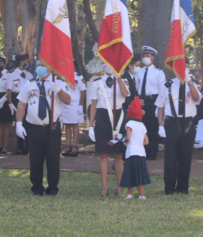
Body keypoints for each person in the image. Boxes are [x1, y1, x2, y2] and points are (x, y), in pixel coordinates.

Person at [15, 65, 70, 195]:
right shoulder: (29, 84)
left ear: (50, 68)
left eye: (44, 66)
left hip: (52, 128)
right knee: (35, 159)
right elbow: (21, 104)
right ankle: (37, 188)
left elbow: (68, 100)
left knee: (53, 160)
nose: (41, 68)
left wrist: (58, 90)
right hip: (33, 128)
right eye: (39, 65)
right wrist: (18, 124)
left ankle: (52, 188)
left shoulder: (58, 83)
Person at [156, 64, 201, 195]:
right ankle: (169, 188)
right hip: (172, 123)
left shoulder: (192, 85)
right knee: (170, 158)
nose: (182, 69)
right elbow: (160, 107)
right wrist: (160, 125)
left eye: (185, 66)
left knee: (185, 157)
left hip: (188, 123)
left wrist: (189, 82)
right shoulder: (167, 85)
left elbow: (197, 98)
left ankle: (183, 188)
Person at [89, 65, 130, 196]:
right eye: (106, 63)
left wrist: (118, 77)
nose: (109, 66)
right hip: (102, 118)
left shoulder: (122, 80)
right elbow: (94, 105)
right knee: (103, 154)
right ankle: (104, 188)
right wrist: (91, 125)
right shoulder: (97, 83)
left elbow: (126, 94)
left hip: (118, 118)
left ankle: (119, 188)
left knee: (118, 155)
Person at [135, 46, 166, 160]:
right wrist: (138, 99)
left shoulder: (158, 73)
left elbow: (162, 90)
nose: (145, 58)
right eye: (145, 56)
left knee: (153, 127)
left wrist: (159, 105)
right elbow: (136, 87)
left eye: (148, 56)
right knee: (142, 126)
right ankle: (143, 151)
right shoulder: (139, 72)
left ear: (153, 57)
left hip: (153, 100)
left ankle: (152, 152)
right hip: (142, 100)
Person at [120, 98, 150, 200]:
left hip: (131, 152)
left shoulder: (129, 124)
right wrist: (138, 142)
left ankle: (130, 194)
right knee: (139, 173)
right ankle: (142, 195)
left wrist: (124, 141)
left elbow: (128, 138)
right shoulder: (142, 125)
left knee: (130, 173)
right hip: (141, 153)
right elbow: (146, 141)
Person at [7, 54, 32, 155]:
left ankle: (28, 146)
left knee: (28, 123)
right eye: (26, 61)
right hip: (16, 98)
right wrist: (10, 103)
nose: (27, 63)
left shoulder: (29, 75)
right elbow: (9, 90)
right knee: (19, 122)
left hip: (28, 99)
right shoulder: (12, 74)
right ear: (22, 62)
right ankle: (20, 147)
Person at [61, 70, 86, 157]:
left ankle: (75, 146)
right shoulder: (62, 75)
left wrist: (81, 105)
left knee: (75, 125)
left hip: (75, 104)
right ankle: (68, 146)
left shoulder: (78, 77)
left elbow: (83, 91)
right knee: (67, 125)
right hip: (65, 103)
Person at [0, 55, 12, 153]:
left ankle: (5, 146)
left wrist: (3, 100)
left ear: (5, 64)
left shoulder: (8, 75)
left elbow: (9, 90)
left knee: (6, 124)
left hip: (4, 101)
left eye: (1, 64)